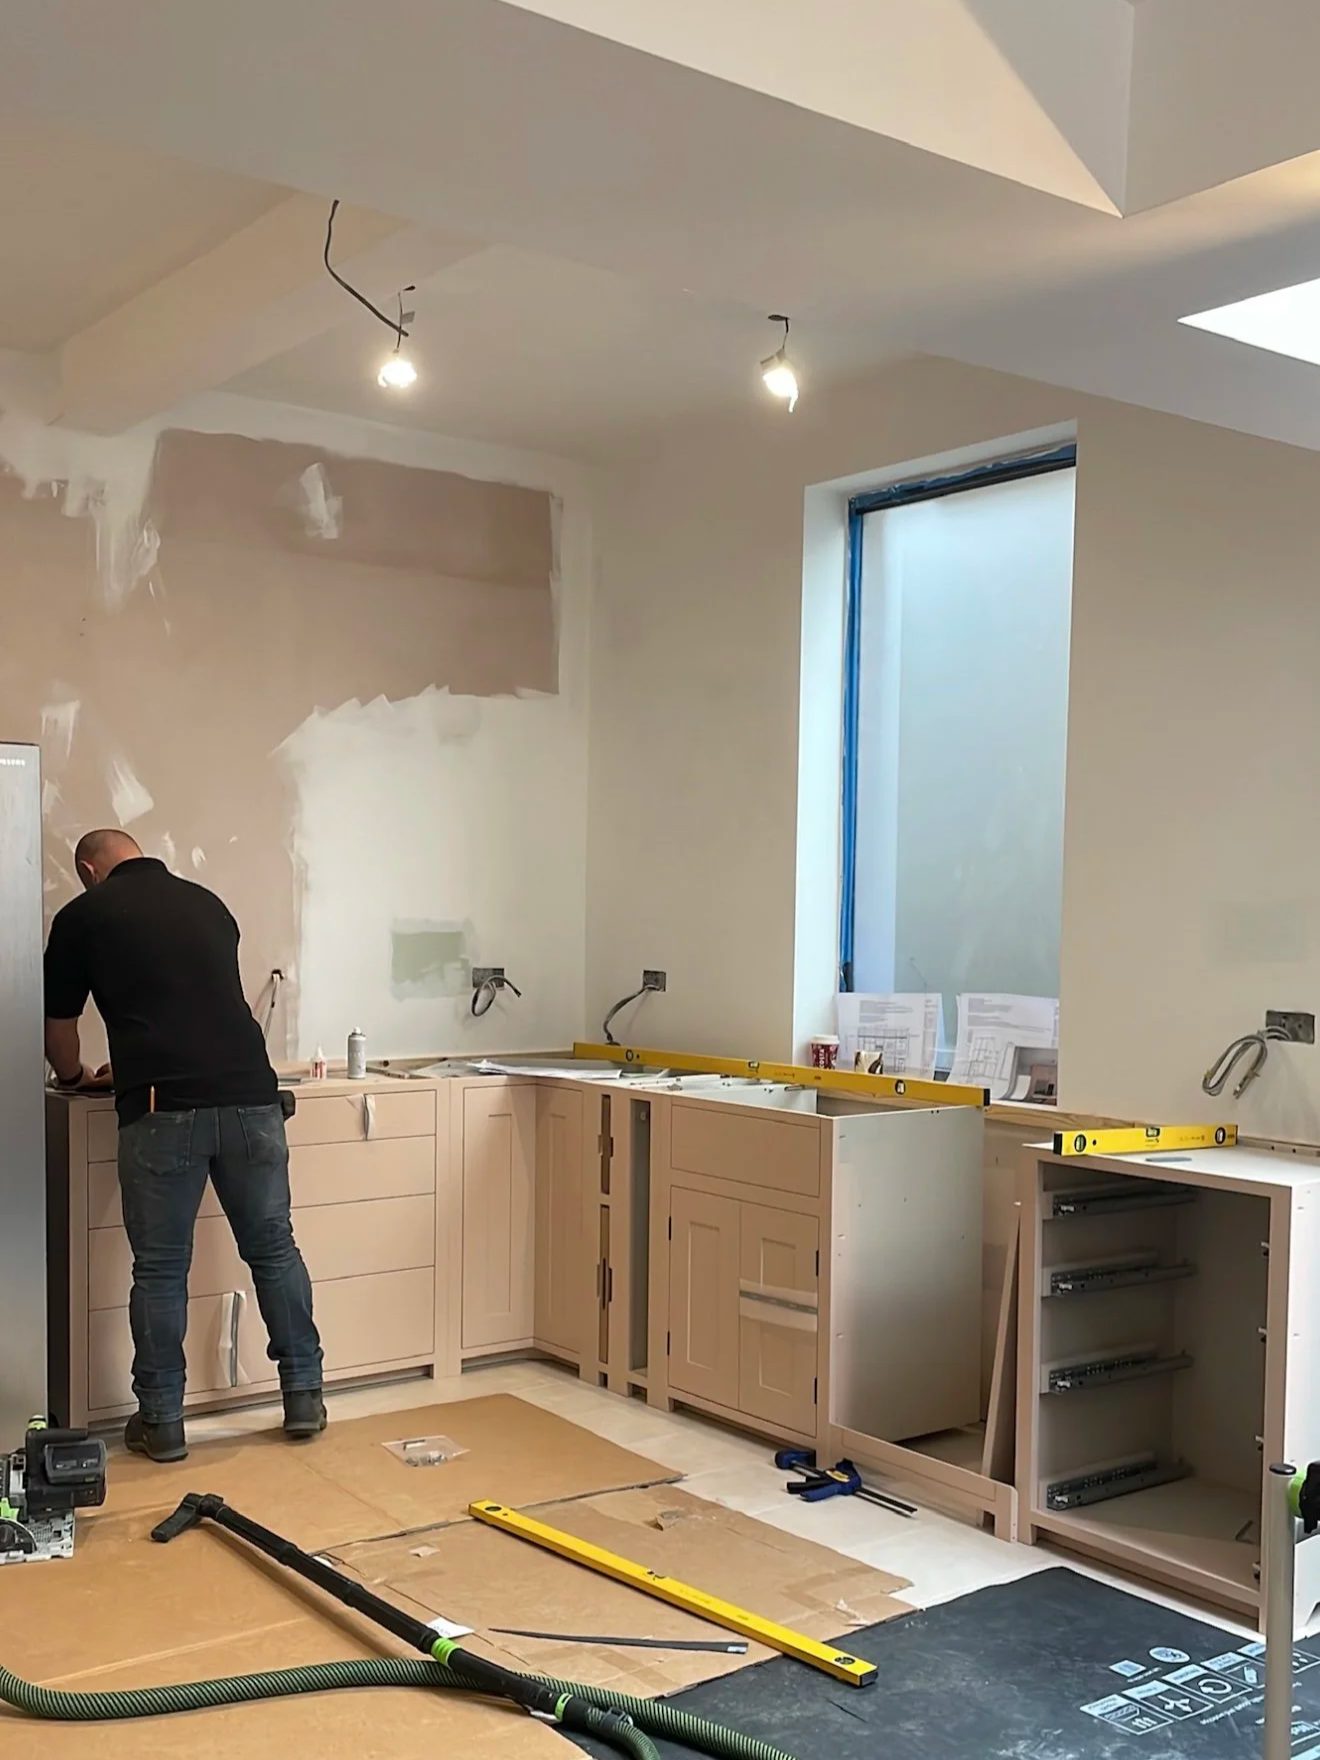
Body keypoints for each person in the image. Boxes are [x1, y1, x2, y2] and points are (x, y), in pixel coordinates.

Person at [43, 829, 325, 1462]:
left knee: (162, 1269)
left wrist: (75, 1079)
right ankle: (304, 1394)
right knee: (275, 1249)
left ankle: (164, 1423)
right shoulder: (208, 903)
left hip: (162, 1108)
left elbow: (59, 1031)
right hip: (254, 1097)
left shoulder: (83, 915)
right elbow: (195, 1005)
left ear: (90, 870)